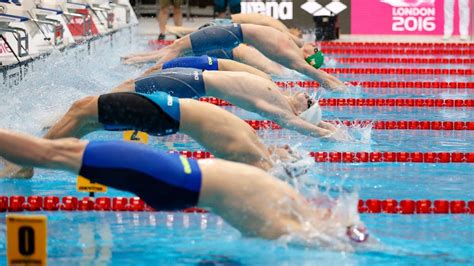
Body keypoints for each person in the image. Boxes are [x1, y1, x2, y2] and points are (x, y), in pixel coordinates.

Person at [0, 127, 370, 250]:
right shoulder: (287, 210)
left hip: (171, 176)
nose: (329, 204)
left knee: (50, 152)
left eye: (331, 212)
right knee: (54, 154)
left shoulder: (282, 220)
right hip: (174, 180)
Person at [0, 92, 304, 179]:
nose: (287, 148)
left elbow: (264, 174)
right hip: (169, 112)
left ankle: (27, 163)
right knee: (83, 117)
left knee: (83, 111)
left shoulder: (248, 152)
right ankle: (28, 161)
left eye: (288, 154)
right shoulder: (254, 143)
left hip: (167, 114)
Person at [111, 68, 347, 141]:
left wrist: (326, 134)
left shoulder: (278, 108)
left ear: (299, 110)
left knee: (129, 90)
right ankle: (91, 99)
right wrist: (326, 125)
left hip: (191, 83)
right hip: (193, 76)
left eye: (309, 102)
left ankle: (89, 103)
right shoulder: (279, 95)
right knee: (131, 85)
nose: (308, 94)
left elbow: (294, 123)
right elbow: (302, 120)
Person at [122, 23, 347, 91]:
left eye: (314, 51)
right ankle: (136, 71)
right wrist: (340, 86)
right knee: (176, 48)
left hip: (229, 34)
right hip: (229, 33)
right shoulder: (292, 43)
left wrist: (338, 87)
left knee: (176, 48)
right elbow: (315, 71)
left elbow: (313, 72)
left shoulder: (290, 50)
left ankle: (136, 73)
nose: (313, 47)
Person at [165, 13, 304, 47]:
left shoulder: (277, 25)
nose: (300, 35)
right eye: (300, 33)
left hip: (227, 22)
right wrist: (312, 50)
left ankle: (180, 31)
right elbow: (297, 42)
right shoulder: (281, 28)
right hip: (226, 24)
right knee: (192, 40)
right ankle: (179, 31)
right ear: (294, 29)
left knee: (193, 35)